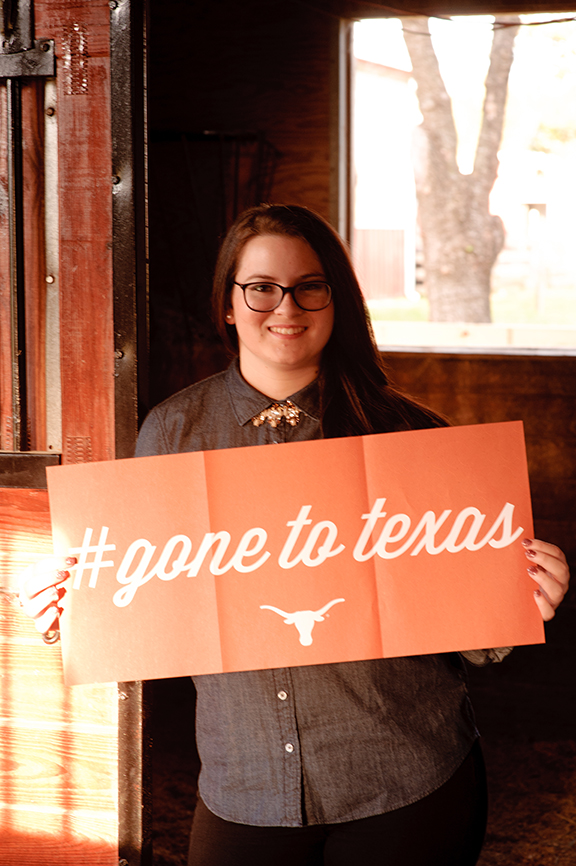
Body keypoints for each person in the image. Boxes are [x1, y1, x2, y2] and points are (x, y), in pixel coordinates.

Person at [20, 205, 570, 866]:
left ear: (336, 299)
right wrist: (67, 611)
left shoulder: (409, 434)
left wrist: (520, 601)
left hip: (404, 777)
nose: (286, 306)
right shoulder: (170, 434)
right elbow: (144, 597)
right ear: (228, 303)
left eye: (310, 285)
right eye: (261, 287)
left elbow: (481, 638)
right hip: (243, 784)